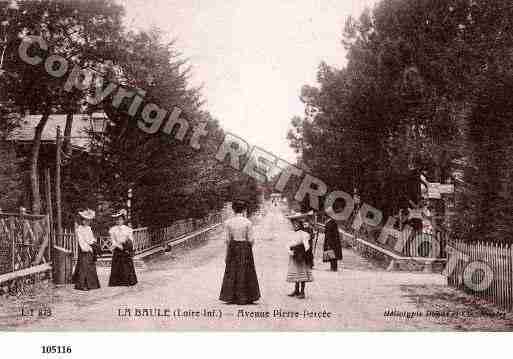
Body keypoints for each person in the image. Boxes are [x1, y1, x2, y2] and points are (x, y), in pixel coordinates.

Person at [219, 200, 260, 305]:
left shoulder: (228, 222)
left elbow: (227, 240)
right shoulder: (247, 222)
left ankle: (231, 297)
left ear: (233, 210)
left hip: (233, 247)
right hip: (245, 247)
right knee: (245, 271)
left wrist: (227, 253)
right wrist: (248, 248)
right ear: (244, 209)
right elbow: (251, 239)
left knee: (232, 270)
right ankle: (246, 297)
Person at [286, 214, 314, 299]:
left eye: (295, 224)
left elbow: (307, 246)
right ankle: (296, 290)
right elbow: (289, 243)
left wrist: (299, 250)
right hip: (294, 255)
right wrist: (289, 249)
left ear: (299, 224)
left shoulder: (304, 234)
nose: (294, 226)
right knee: (296, 273)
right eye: (293, 224)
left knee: (302, 274)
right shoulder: (294, 233)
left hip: (301, 256)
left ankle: (302, 292)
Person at [72, 209, 101, 291]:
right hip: (84, 249)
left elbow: (91, 239)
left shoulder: (89, 228)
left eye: (88, 220)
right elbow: (81, 241)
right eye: (85, 220)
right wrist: (86, 248)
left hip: (90, 248)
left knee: (90, 266)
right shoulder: (79, 229)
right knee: (84, 266)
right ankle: (81, 285)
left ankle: (92, 284)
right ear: (82, 220)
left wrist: (93, 244)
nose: (87, 222)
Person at [108, 209, 138, 287]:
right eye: (117, 220)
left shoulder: (128, 229)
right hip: (118, 249)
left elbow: (131, 239)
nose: (118, 221)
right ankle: (117, 281)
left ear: (123, 220)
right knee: (117, 264)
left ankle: (128, 280)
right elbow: (113, 241)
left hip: (125, 248)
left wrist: (126, 245)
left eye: (120, 219)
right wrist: (118, 245)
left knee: (126, 264)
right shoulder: (113, 230)